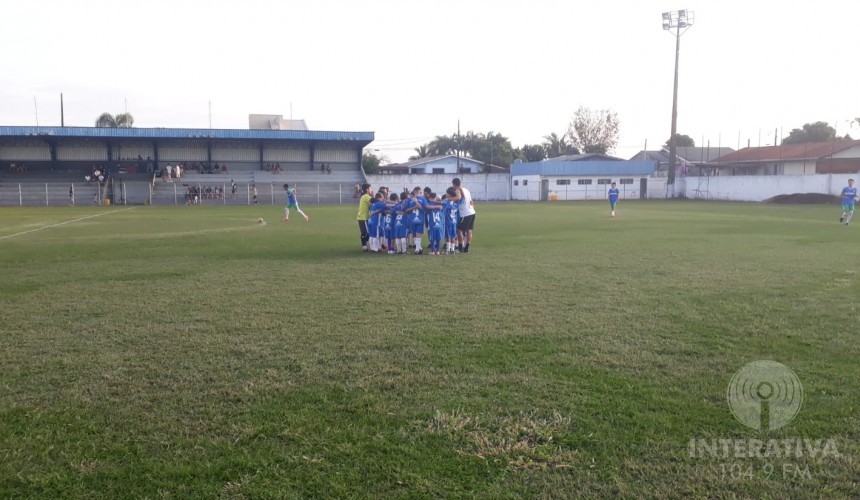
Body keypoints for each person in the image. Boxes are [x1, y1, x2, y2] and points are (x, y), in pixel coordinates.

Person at [451, 177, 476, 253]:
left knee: (459, 230)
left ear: (454, 184)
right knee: (469, 230)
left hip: (465, 214)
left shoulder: (458, 190)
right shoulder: (466, 190)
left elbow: (458, 197)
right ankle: (467, 248)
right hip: (472, 212)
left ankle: (460, 247)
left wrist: (449, 199)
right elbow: (471, 201)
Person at [443, 187, 460, 254]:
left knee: (448, 236)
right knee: (453, 235)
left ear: (450, 195)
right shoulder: (456, 203)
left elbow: (442, 204)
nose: (446, 194)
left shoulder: (447, 202)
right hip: (454, 222)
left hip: (448, 221)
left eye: (447, 193)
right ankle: (452, 249)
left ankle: (448, 249)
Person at [356, 183, 372, 251]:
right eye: (370, 188)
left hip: (361, 217)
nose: (371, 190)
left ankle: (364, 247)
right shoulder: (366, 196)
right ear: (367, 189)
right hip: (363, 218)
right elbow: (373, 203)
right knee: (368, 233)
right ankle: (367, 246)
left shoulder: (363, 196)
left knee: (364, 233)